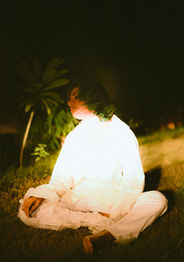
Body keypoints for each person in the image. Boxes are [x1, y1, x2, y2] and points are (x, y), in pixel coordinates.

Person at [18, 80, 168, 255]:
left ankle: (108, 234)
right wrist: (42, 195)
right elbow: (62, 178)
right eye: (69, 98)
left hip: (111, 201)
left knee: (157, 200)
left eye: (75, 97)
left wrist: (116, 211)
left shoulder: (121, 131)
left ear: (92, 98)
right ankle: (95, 221)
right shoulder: (74, 136)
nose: (69, 103)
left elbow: (132, 179)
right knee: (28, 210)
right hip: (77, 200)